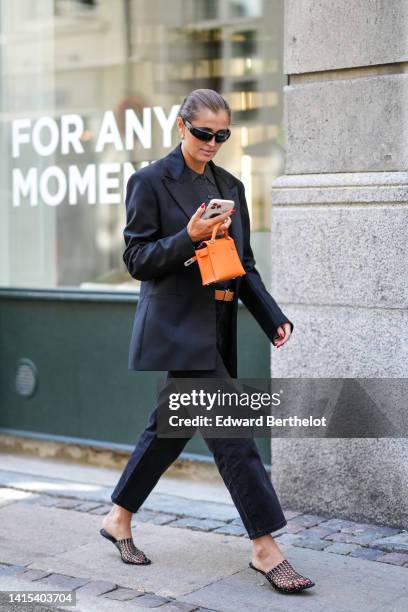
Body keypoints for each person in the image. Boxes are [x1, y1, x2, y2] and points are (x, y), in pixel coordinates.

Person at [100, 89, 315, 594]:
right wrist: (190, 237)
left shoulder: (231, 186)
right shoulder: (150, 180)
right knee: (233, 435)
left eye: (222, 135)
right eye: (203, 133)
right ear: (181, 127)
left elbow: (245, 266)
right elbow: (136, 259)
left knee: (169, 430)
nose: (212, 142)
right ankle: (265, 548)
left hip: (217, 327)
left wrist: (272, 317)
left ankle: (118, 517)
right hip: (177, 327)